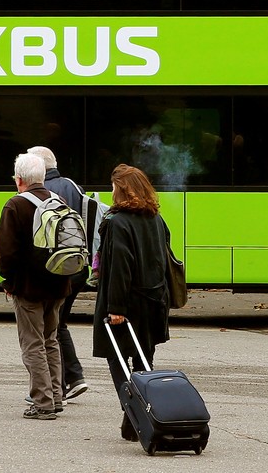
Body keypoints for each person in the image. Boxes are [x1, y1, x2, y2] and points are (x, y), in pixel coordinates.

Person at [91, 164, 171, 441]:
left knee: (116, 358)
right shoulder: (156, 219)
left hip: (126, 302)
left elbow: (119, 268)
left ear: (121, 189)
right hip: (153, 300)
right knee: (143, 361)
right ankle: (138, 418)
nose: (111, 191)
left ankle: (135, 413)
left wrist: (116, 308)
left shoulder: (117, 222)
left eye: (113, 186)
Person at [0, 153, 71, 420]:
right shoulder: (58, 201)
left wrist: (8, 281)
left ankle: (42, 402)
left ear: (19, 179)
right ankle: (56, 397)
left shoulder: (15, 206)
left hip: (28, 288)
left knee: (32, 344)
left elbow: (6, 252)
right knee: (51, 340)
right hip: (58, 284)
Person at [27, 146, 90, 402]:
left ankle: (62, 383)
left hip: (54, 269)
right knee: (58, 323)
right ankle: (72, 378)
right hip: (76, 268)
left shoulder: (43, 193)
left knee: (49, 328)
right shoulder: (73, 186)